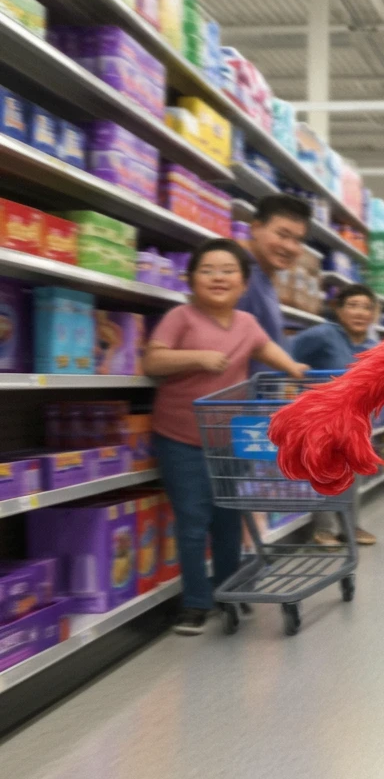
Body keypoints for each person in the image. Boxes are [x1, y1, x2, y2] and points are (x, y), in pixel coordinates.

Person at [144, 238, 308, 635]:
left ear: (244, 283)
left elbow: (269, 351)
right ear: (190, 279)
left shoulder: (247, 324)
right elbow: (152, 360)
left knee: (229, 519)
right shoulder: (181, 317)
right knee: (192, 519)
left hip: (228, 438)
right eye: (207, 269)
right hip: (179, 436)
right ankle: (195, 604)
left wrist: (296, 370)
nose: (218, 277)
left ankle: (229, 590)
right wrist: (196, 358)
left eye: (228, 270)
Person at [292, 283, 380, 547]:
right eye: (352, 305)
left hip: (358, 422)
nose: (360, 312)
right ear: (339, 310)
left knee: (352, 475)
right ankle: (324, 529)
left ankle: (349, 524)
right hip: (322, 419)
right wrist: (298, 380)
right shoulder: (323, 334)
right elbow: (287, 353)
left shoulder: (374, 346)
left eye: (366, 307)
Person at [237, 193, 311, 364]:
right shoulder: (242, 278)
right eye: (282, 235)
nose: (290, 247)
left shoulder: (265, 278)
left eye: (298, 241)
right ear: (255, 228)